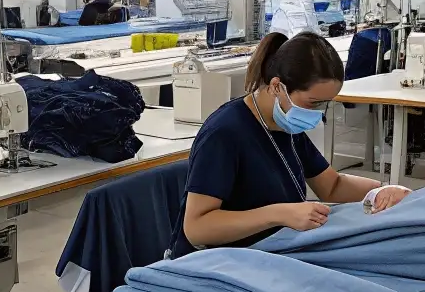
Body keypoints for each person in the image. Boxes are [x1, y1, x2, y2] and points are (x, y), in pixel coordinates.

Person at [169, 31, 411, 257]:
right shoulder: (225, 133)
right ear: (277, 87)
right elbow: (197, 227)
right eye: (313, 103)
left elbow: (333, 186)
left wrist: (382, 190)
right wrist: (279, 214)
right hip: (211, 261)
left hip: (268, 250)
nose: (319, 113)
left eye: (325, 104)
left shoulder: (285, 124)